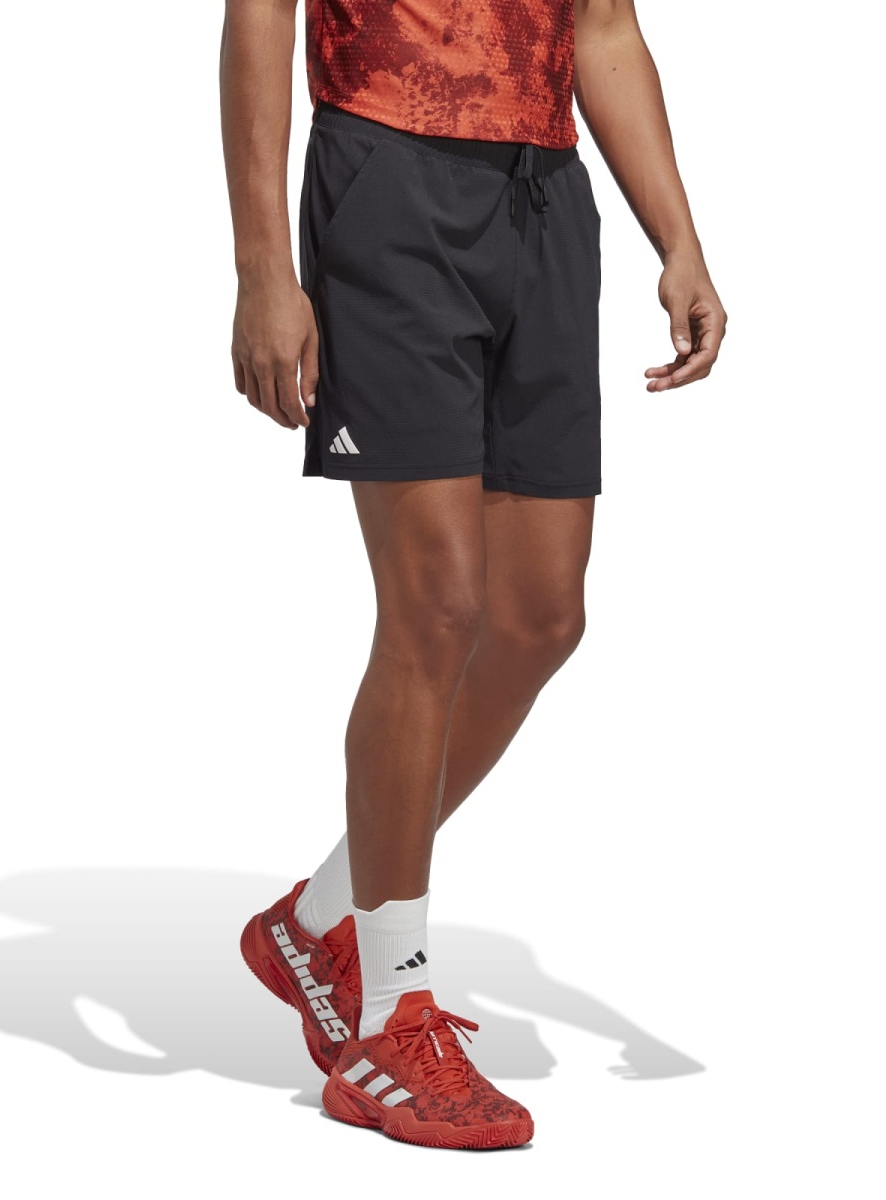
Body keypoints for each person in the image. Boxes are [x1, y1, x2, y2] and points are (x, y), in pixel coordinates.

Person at [221, 0, 726, 1150]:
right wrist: (262, 267)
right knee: (436, 608)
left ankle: (316, 920)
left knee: (541, 617)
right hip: (387, 176)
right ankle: (389, 1018)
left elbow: (603, 27)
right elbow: (259, 12)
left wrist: (680, 238)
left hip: (544, 200)